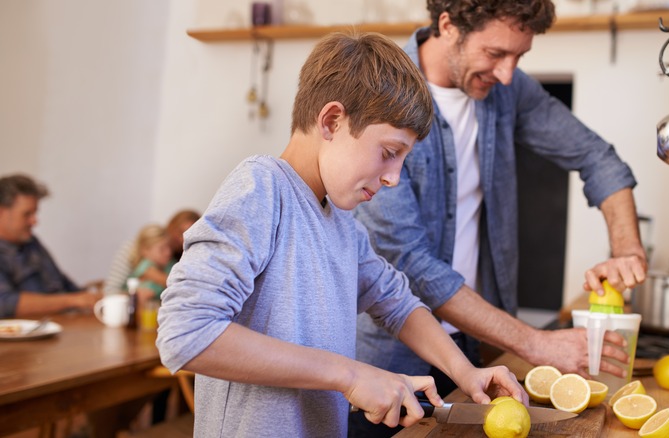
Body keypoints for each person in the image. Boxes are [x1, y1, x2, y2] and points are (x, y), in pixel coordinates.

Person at [155, 31, 526, 438]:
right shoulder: (262, 189)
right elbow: (185, 331)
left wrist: (466, 372)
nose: (393, 178)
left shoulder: (342, 224)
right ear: (332, 120)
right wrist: (350, 375)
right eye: (389, 152)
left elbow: (397, 303)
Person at [351, 1, 647, 434]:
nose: (508, 74)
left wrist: (627, 251)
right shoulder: (383, 91)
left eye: (519, 57)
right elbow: (410, 262)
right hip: (394, 361)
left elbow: (597, 157)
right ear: (448, 25)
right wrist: (536, 343)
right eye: (495, 54)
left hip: (482, 352)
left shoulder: (508, 89)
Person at [0, 174, 102, 318]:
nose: (34, 221)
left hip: (62, 327)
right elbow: (4, 303)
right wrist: (72, 301)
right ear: (1, 212)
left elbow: (63, 284)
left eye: (35, 213)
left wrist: (90, 297)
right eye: (27, 214)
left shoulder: (31, 242)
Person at [104, 209, 200, 294]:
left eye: (189, 236)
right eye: (180, 232)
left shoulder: (175, 261)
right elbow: (110, 291)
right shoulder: (136, 253)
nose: (182, 239)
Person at [129, 223, 174, 301]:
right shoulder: (145, 266)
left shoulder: (169, 264)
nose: (168, 252)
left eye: (169, 246)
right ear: (145, 250)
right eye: (162, 249)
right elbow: (170, 282)